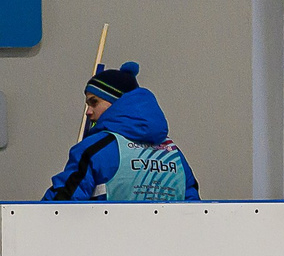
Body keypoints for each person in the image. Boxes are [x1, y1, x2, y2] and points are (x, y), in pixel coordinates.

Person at [45, 61, 200, 202]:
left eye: (94, 102)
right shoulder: (174, 154)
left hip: (106, 226)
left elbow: (59, 205)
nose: (88, 112)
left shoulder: (94, 149)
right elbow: (194, 209)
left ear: (118, 102)